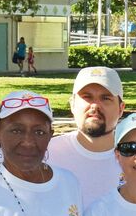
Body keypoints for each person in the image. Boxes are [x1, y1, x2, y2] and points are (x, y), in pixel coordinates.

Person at [46, 66, 127, 203]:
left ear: (121, 109)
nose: (95, 106)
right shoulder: (47, 153)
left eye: (105, 98)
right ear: (72, 105)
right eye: (87, 97)